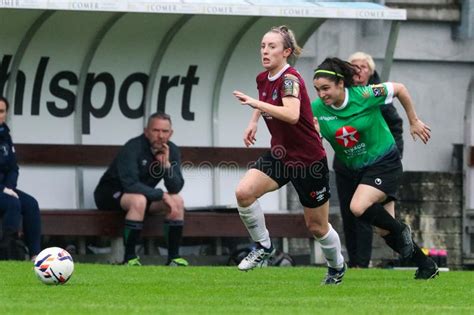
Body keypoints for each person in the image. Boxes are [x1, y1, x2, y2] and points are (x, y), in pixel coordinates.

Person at [233, 25, 346, 285]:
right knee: (244, 192)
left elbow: (292, 114)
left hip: (308, 160)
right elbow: (265, 98)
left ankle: (337, 266)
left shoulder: (290, 79)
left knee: (316, 226)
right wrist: (254, 120)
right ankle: (263, 246)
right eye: (263, 45)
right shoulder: (264, 78)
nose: (265, 50)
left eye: (272, 46)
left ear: (286, 52)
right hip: (282, 155)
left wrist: (256, 105)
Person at [311, 57, 439, 279]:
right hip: (357, 170)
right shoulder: (317, 109)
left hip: (384, 162)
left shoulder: (366, 95)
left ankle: (402, 230)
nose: (321, 94)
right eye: (317, 89)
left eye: (326, 88)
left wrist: (414, 121)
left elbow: (399, 89)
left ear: (341, 84)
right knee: (382, 229)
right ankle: (426, 265)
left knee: (358, 207)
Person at [334, 52, 404, 268]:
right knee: (347, 212)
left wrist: (393, 158)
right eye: (354, 66)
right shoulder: (341, 95)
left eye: (363, 66)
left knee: (363, 212)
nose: (358, 70)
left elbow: (396, 127)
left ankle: (363, 263)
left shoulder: (376, 95)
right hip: (346, 163)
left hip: (373, 164)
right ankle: (353, 260)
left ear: (370, 71)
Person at [94, 112, 187, 266]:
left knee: (177, 201)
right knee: (139, 200)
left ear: (171, 133)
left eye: (165, 131)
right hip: (110, 194)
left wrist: (166, 165)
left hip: (142, 196)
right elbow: (130, 185)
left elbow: (175, 187)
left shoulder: (171, 150)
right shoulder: (133, 147)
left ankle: (173, 258)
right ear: (146, 131)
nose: (160, 136)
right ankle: (129, 258)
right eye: (156, 130)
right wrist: (161, 195)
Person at [0, 96, 41, 261]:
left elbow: (13, 168)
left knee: (31, 203)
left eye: (1, 111)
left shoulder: (5, 135)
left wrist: (9, 187)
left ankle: (35, 255)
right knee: (12, 203)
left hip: (5, 188)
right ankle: (7, 253)